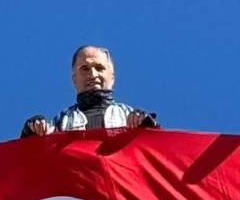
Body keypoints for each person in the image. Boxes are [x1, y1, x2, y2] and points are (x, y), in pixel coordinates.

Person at [21, 45, 159, 134]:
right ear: (74, 79)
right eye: (85, 69)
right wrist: (32, 130)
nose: (93, 75)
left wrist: (147, 124)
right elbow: (32, 158)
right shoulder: (61, 122)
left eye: (99, 68)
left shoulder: (130, 116)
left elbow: (155, 151)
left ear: (112, 77)